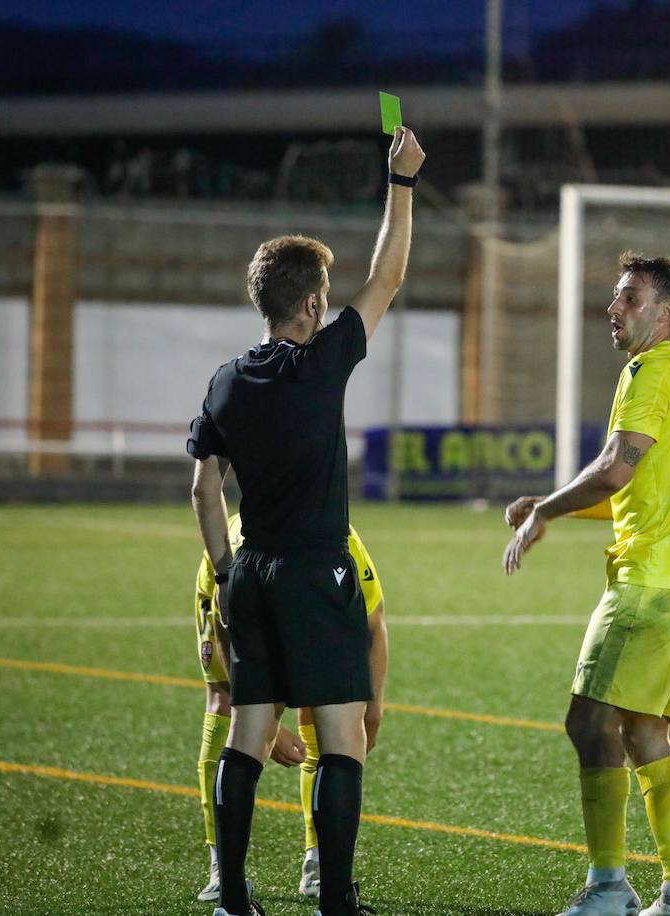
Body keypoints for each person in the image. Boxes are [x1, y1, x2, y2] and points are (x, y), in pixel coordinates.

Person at [187, 126, 424, 916]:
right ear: (315, 303)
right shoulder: (322, 364)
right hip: (318, 570)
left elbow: (203, 490)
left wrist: (225, 573)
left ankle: (232, 897)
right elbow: (387, 277)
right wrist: (403, 184)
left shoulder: (224, 383)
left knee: (245, 737)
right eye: (325, 295)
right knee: (340, 736)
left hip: (250, 573)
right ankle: (335, 900)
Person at [503, 253, 670, 916]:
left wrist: (546, 512)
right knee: (644, 733)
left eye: (629, 297)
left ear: (665, 313)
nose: (614, 308)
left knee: (588, 721)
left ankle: (607, 888)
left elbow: (614, 469)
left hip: (648, 586)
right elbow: (637, 487)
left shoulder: (650, 372)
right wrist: (553, 502)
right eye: (616, 297)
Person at [193, 514, 388, 904]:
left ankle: (317, 860)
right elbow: (228, 628)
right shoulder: (239, 545)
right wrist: (261, 719)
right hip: (235, 590)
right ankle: (222, 866)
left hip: (299, 583)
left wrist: (373, 707)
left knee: (324, 713)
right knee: (223, 705)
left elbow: (373, 622)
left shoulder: (340, 538)